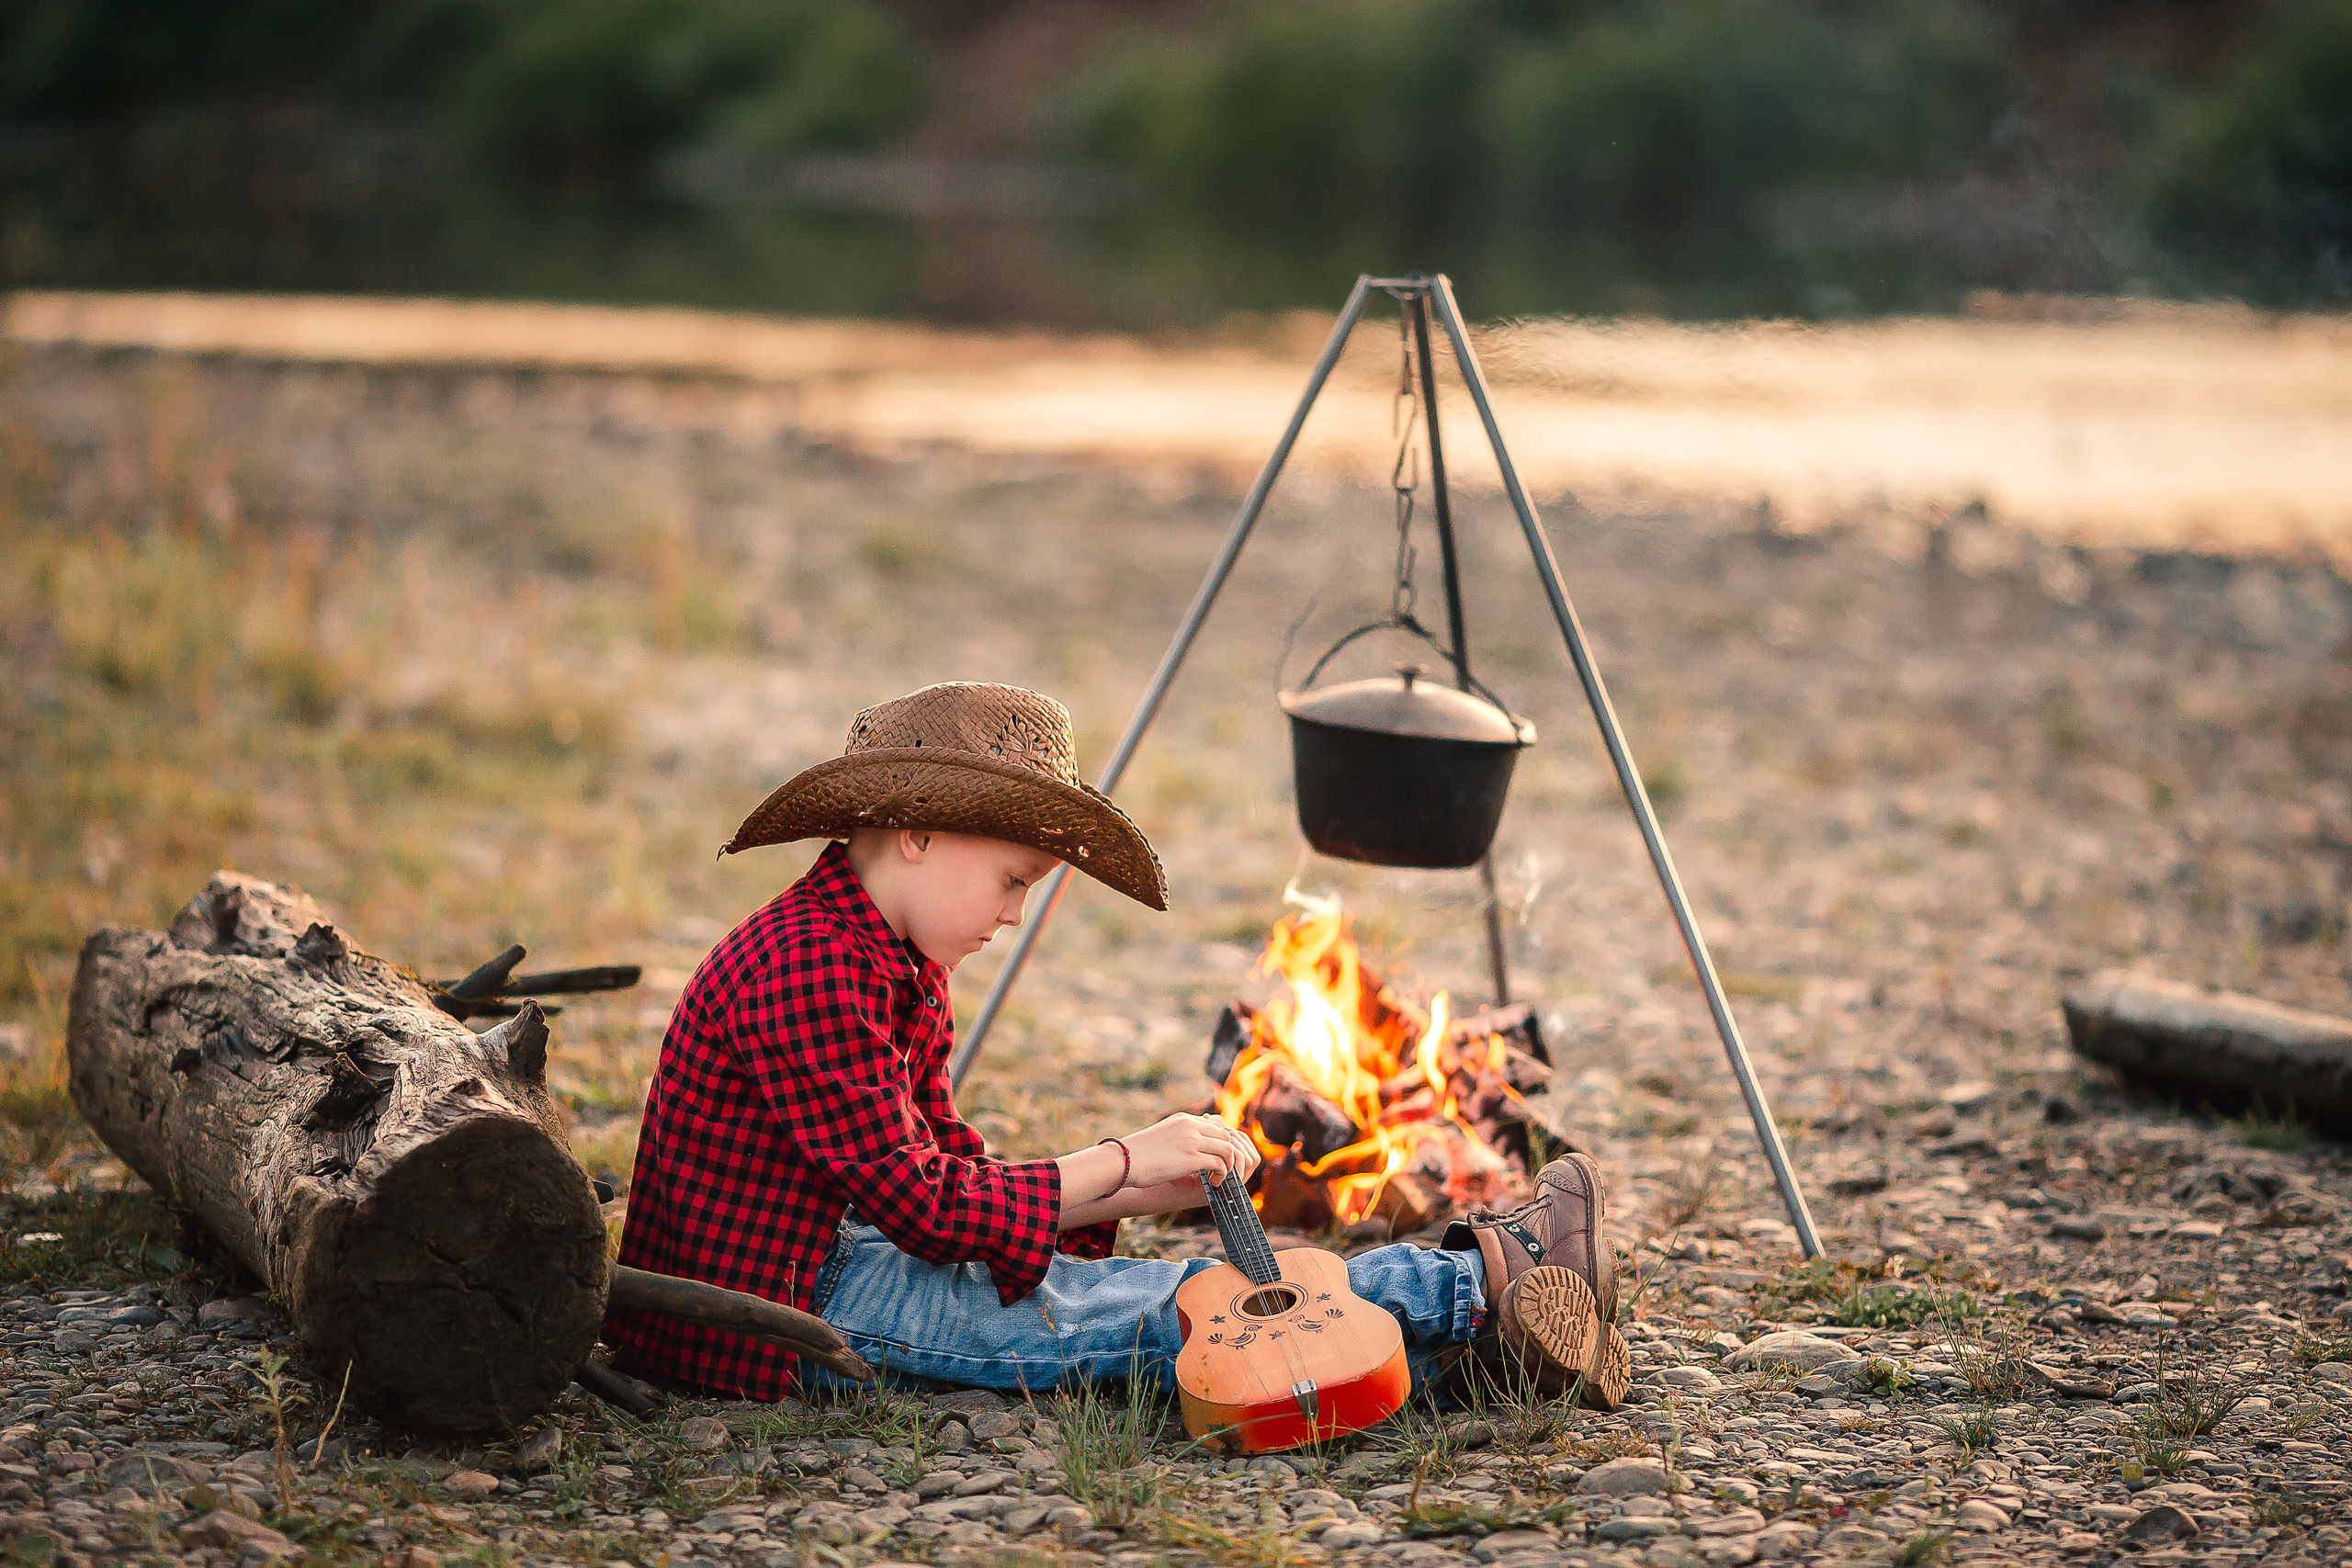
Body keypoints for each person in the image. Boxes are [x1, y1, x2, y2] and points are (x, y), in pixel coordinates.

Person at [604, 681, 1629, 1410]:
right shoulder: (811, 967)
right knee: (1121, 1316)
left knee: (1115, 1302)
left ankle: (1475, 1357)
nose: (1011, 914)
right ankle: (1475, 1281)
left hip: (832, 1254)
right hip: (773, 1307)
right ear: (915, 832)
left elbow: (945, 1170)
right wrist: (1126, 1161)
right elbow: (925, 1208)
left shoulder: (894, 958)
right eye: (1010, 880)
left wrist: (1135, 1188)